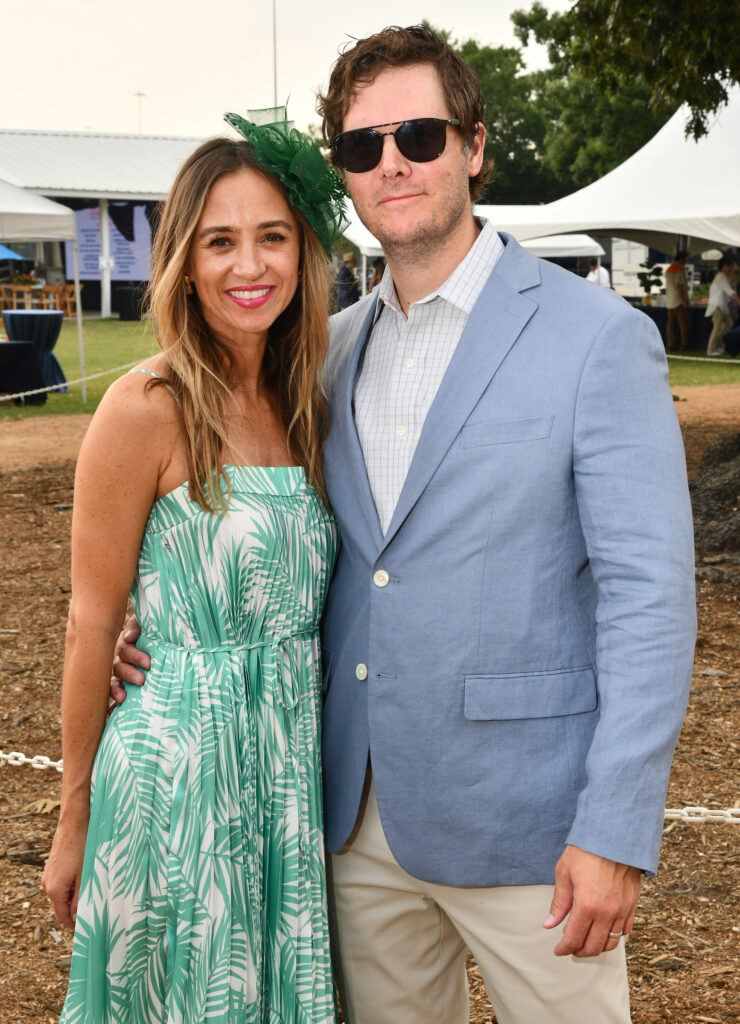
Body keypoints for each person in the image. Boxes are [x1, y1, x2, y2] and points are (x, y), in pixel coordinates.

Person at [115, 25, 696, 1024]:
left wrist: (614, 828)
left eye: (419, 135)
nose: (392, 162)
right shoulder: (323, 354)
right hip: (346, 826)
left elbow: (649, 600)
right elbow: (295, 542)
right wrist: (161, 622)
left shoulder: (597, 339)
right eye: (361, 145)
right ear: (341, 171)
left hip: (533, 831)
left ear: (472, 148)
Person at [42, 111, 347, 1023]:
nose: (248, 267)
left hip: (285, 774)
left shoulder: (306, 406)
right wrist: (72, 818)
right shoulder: (147, 404)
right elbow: (92, 623)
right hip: (176, 776)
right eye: (220, 241)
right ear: (182, 258)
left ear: (304, 253)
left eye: (272, 238)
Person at [705, 254, 738, 354]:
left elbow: (734, 285)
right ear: (724, 266)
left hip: (723, 306)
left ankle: (718, 346)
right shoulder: (720, 276)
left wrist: (732, 275)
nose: (732, 268)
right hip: (717, 305)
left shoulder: (725, 276)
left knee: (729, 324)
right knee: (717, 327)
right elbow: (730, 291)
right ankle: (710, 350)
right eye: (730, 266)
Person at [665, 249, 690, 350]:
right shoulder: (679, 269)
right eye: (686, 259)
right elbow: (679, 286)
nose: (686, 261)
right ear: (681, 259)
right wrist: (683, 300)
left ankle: (670, 343)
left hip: (670, 301)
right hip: (678, 302)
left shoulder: (670, 268)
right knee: (683, 324)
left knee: (671, 324)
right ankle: (684, 344)